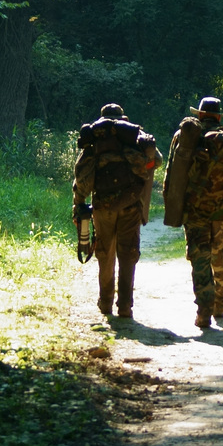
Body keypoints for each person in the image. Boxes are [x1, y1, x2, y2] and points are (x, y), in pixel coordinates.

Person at [163, 96, 223, 328]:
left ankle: (203, 312)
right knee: (221, 257)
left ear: (200, 115)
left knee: (200, 260)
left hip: (195, 212)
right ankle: (220, 305)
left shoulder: (184, 138)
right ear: (219, 117)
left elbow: (171, 176)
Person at [73, 103, 162, 319]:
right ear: (123, 118)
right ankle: (124, 306)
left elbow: (82, 176)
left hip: (102, 206)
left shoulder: (95, 140)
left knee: (105, 253)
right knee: (128, 254)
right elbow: (157, 161)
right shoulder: (134, 137)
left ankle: (105, 303)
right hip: (131, 204)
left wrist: (78, 203)